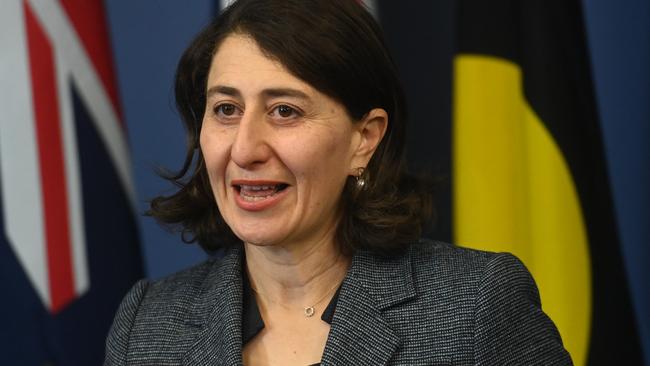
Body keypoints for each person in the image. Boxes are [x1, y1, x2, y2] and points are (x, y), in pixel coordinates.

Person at [104, 0, 572, 365]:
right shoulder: (147, 323)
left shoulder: (475, 306)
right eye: (226, 109)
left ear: (363, 140)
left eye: (284, 111)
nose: (245, 149)